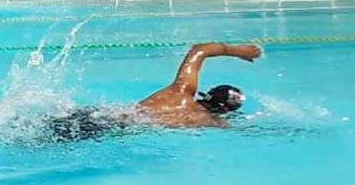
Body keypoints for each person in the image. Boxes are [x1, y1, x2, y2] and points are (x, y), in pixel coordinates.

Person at [46, 43, 261, 141]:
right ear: (224, 111)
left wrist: (239, 51)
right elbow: (251, 133)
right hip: (110, 129)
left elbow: (200, 50)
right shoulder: (211, 123)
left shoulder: (181, 91)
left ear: (209, 93)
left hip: (104, 113)